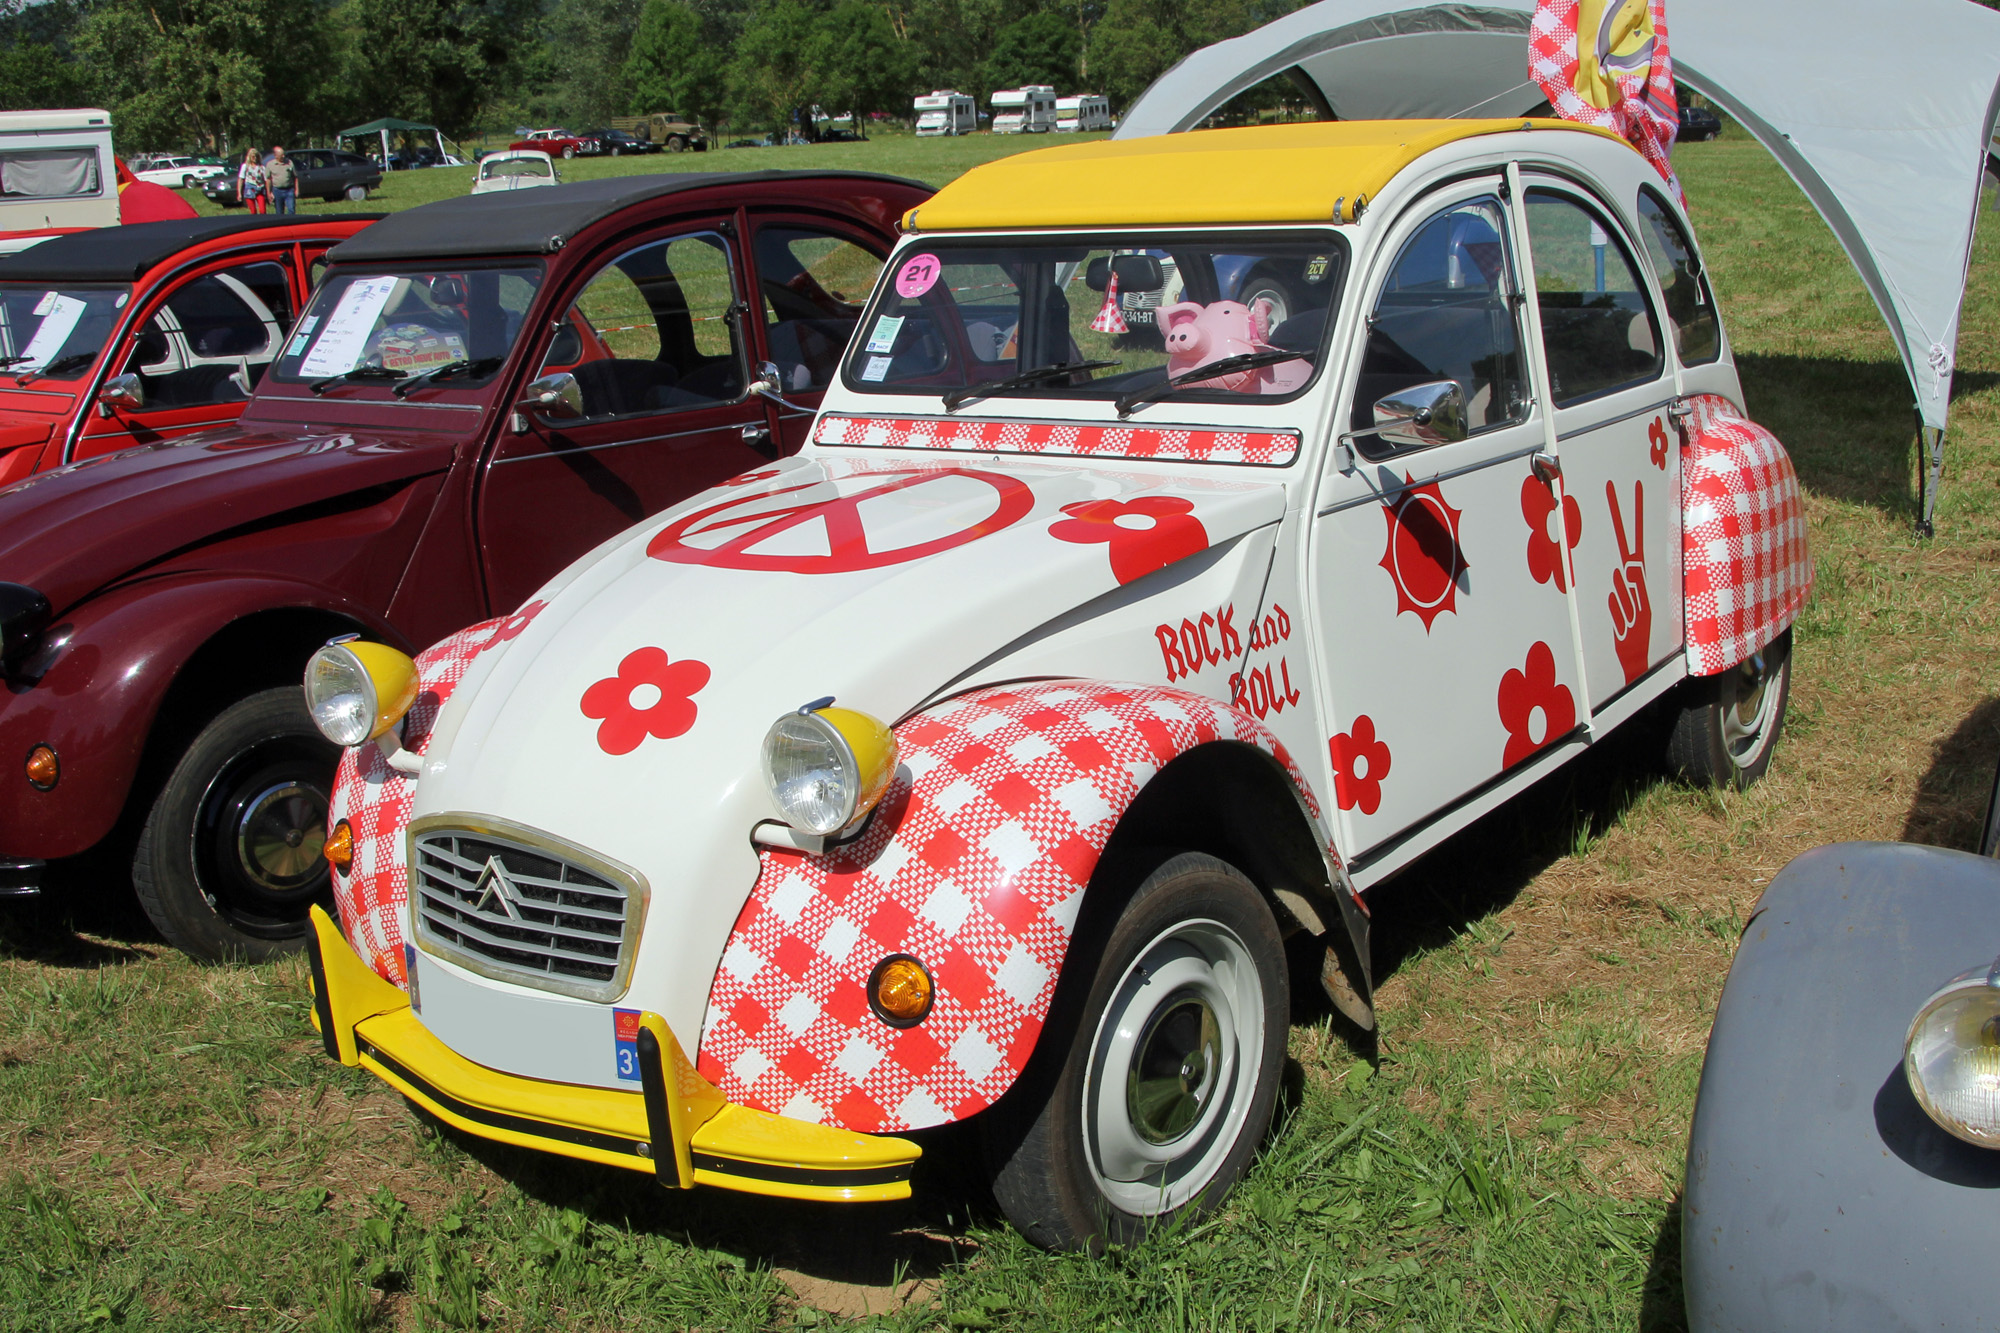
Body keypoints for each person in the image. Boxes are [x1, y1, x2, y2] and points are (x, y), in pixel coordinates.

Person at [264, 146, 297, 215]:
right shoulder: (270, 165)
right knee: (279, 212)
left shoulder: (289, 162)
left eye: (283, 154)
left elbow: (295, 177)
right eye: (281, 155)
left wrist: (296, 189)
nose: (283, 156)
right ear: (275, 155)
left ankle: (291, 223)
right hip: (277, 190)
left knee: (291, 210)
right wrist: (269, 193)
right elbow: (268, 180)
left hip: (289, 190)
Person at [237, 148, 266, 214]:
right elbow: (241, 179)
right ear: (249, 157)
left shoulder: (262, 167)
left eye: (256, 156)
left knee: (262, 210)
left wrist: (268, 192)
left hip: (260, 188)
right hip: (249, 189)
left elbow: (266, 180)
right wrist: (239, 193)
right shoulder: (245, 166)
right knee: (253, 211)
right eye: (253, 156)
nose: (255, 158)